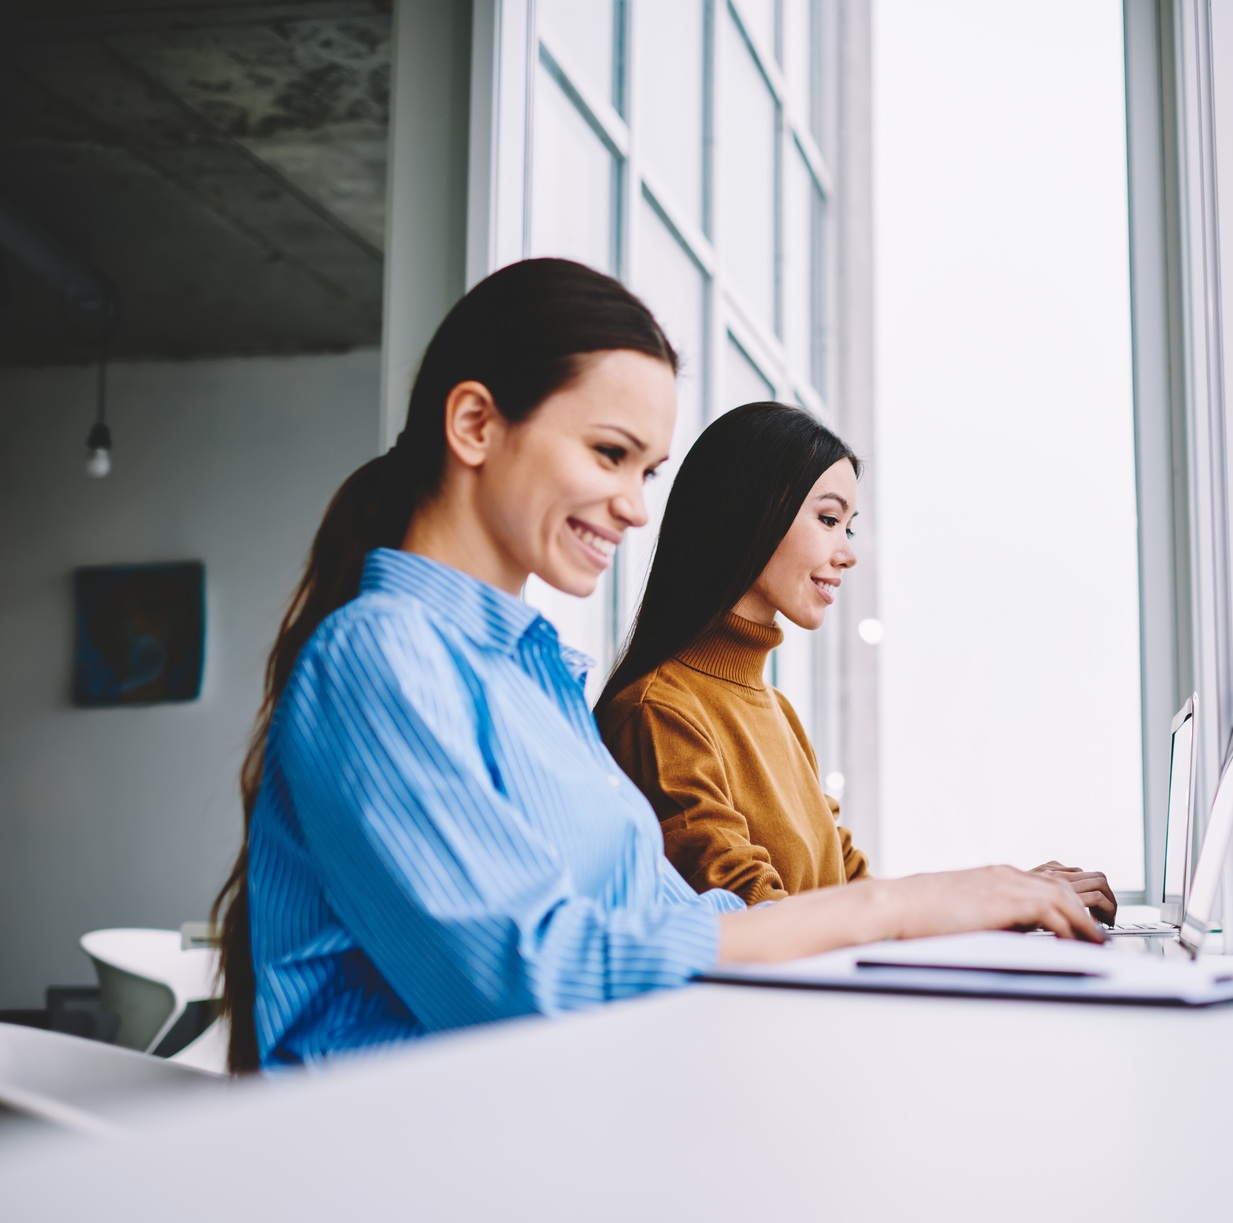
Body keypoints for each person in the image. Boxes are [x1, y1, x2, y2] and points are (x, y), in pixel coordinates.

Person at [209, 259, 1103, 1074]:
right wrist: (893, 911)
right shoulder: (380, 658)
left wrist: (960, 908)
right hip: (419, 1173)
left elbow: (669, 922)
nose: (636, 507)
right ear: (476, 424)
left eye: (649, 469)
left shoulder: (538, 678)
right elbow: (533, 977)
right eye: (610, 454)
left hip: (555, 1124)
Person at [593, 403, 1114, 916]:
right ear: (750, 512)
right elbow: (753, 917)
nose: (848, 552)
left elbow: (855, 893)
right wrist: (984, 897)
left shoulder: (777, 711)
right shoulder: (658, 712)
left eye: (849, 527)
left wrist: (1004, 896)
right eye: (828, 519)